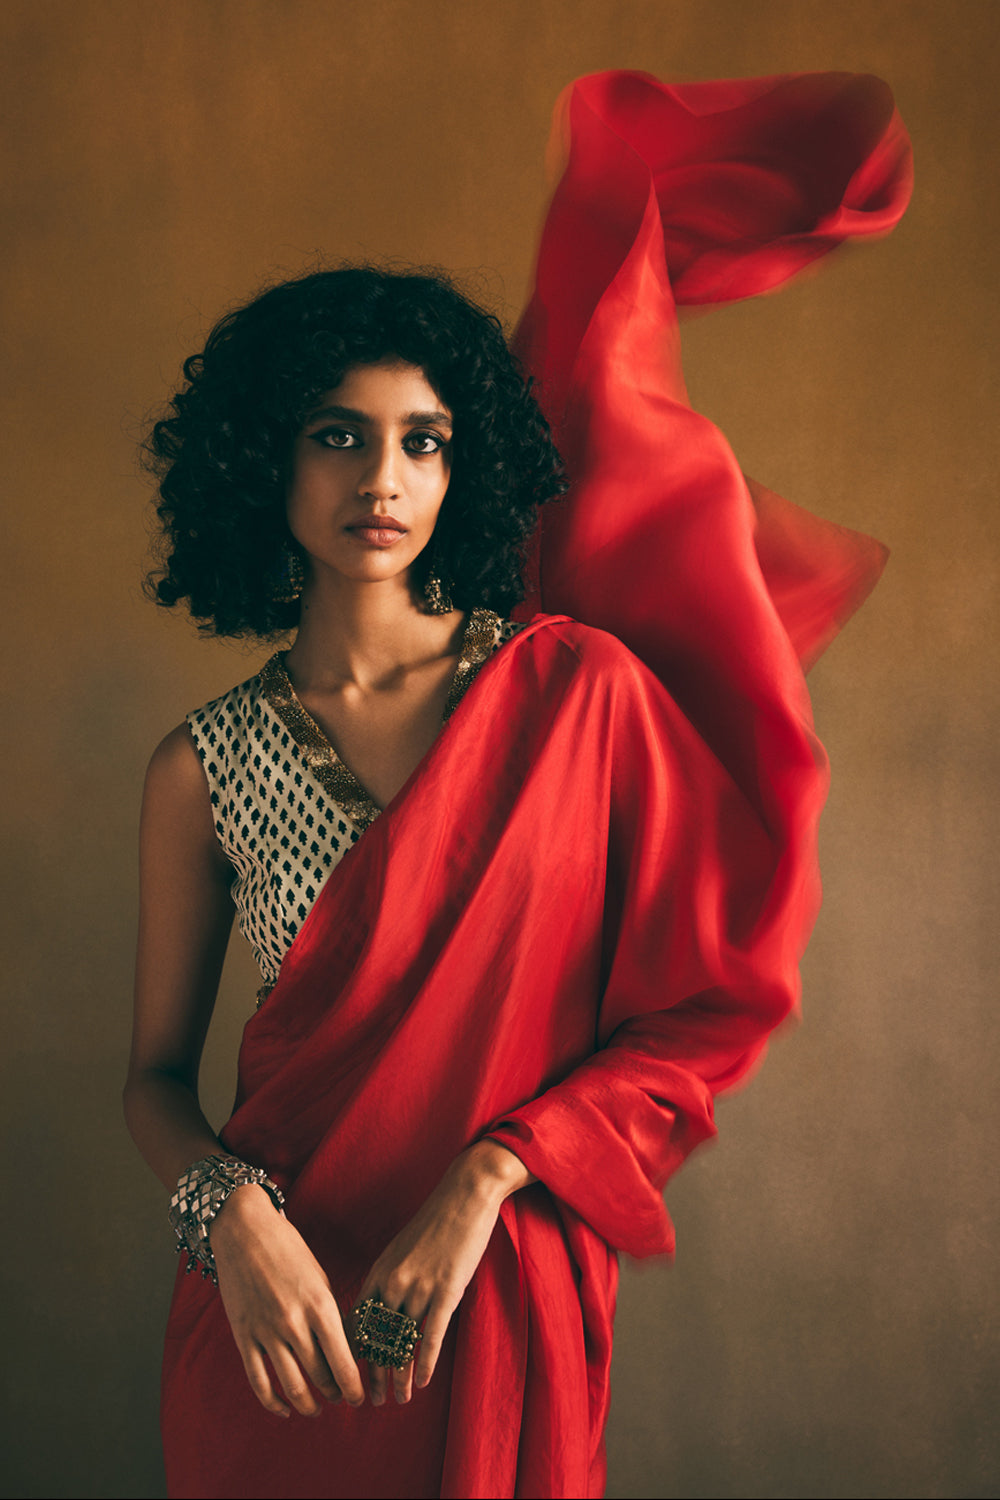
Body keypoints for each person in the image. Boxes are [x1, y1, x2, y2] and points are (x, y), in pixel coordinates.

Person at [125, 70, 913, 1500]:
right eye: (338, 434)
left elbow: (700, 1011)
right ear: (264, 461)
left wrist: (495, 1170)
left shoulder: (576, 695)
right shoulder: (202, 764)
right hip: (268, 1327)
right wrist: (226, 1217)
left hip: (489, 1302)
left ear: (464, 462)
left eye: (422, 440)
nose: (385, 476)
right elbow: (154, 1084)